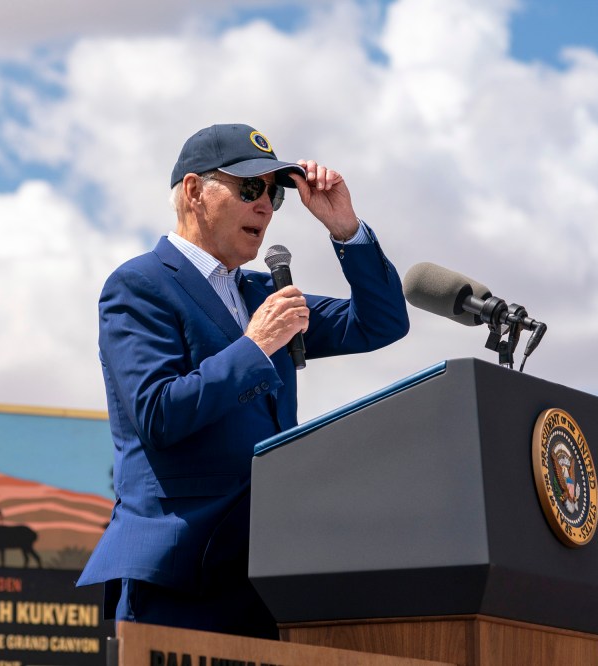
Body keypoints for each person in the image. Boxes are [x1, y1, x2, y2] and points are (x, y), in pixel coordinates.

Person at [76, 123, 409, 638]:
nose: (266, 207)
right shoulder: (139, 285)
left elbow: (381, 323)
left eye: (275, 194)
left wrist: (346, 229)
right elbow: (159, 414)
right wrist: (255, 347)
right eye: (250, 188)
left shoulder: (262, 294)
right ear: (194, 191)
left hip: (267, 573)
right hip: (181, 575)